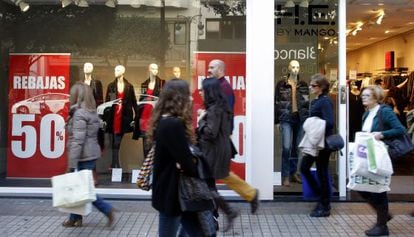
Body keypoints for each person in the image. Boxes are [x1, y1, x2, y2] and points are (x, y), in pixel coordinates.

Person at [147, 79, 210, 237]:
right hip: (174, 194)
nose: (191, 98)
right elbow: (189, 164)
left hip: (175, 193)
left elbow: (184, 159)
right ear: (178, 98)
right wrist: (191, 162)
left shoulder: (165, 121)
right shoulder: (172, 125)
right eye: (188, 95)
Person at [207, 59, 259, 215]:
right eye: (208, 67)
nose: (208, 70)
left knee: (214, 174)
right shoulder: (218, 87)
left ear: (221, 70)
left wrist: (217, 133)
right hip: (218, 136)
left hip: (218, 137)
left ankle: (215, 213)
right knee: (218, 173)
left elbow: (225, 114)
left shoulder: (225, 88)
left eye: (212, 67)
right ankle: (248, 195)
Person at [63, 82, 115, 228]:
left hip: (82, 156)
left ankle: (107, 209)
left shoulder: (79, 113)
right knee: (79, 188)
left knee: (84, 190)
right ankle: (75, 219)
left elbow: (78, 141)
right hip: (90, 154)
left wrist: (71, 164)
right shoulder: (90, 112)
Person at [358, 85, 405, 236]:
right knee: (361, 186)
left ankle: (382, 225)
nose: (362, 97)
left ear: (376, 97)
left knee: (379, 189)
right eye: (362, 95)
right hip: (367, 154)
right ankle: (384, 215)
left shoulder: (384, 111)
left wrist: (382, 134)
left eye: (366, 95)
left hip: (380, 154)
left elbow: (400, 129)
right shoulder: (366, 114)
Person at [197, 78, 239, 232]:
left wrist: (201, 121)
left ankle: (225, 213)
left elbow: (210, 132)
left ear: (210, 91)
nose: (201, 92)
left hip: (212, 153)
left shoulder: (214, 109)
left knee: (206, 186)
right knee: (208, 185)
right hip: (220, 150)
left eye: (203, 89)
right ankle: (217, 216)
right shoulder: (222, 107)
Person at [300, 74, 334, 218]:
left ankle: (324, 204)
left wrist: (314, 124)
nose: (310, 87)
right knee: (305, 168)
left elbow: (330, 122)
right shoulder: (318, 100)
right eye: (311, 85)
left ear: (321, 87)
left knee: (321, 172)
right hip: (315, 142)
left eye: (313, 86)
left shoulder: (325, 101)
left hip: (321, 143)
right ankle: (321, 197)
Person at [275, 60, 309, 186]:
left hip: (299, 119)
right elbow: (276, 103)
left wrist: (306, 120)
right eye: (293, 67)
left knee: (296, 148)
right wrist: (277, 121)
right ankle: (285, 176)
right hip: (286, 119)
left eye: (297, 67)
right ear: (288, 69)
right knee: (286, 147)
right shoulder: (281, 84)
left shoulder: (303, 84)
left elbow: (306, 104)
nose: (295, 69)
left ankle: (293, 173)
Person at [105, 65, 139, 168]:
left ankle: (115, 165)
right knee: (114, 143)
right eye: (115, 69)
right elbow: (107, 103)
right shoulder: (111, 86)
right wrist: (105, 119)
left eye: (118, 70)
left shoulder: (129, 86)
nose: (115, 71)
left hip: (124, 118)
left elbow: (134, 102)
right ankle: (115, 165)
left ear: (123, 71)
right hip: (113, 117)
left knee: (117, 142)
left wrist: (135, 118)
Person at [136, 63, 165, 156]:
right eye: (153, 69)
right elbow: (141, 99)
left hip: (156, 116)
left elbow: (164, 100)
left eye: (156, 69)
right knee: (145, 143)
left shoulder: (162, 83)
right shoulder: (144, 84)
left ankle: (154, 167)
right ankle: (146, 165)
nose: (155, 71)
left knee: (156, 142)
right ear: (149, 70)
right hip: (144, 116)